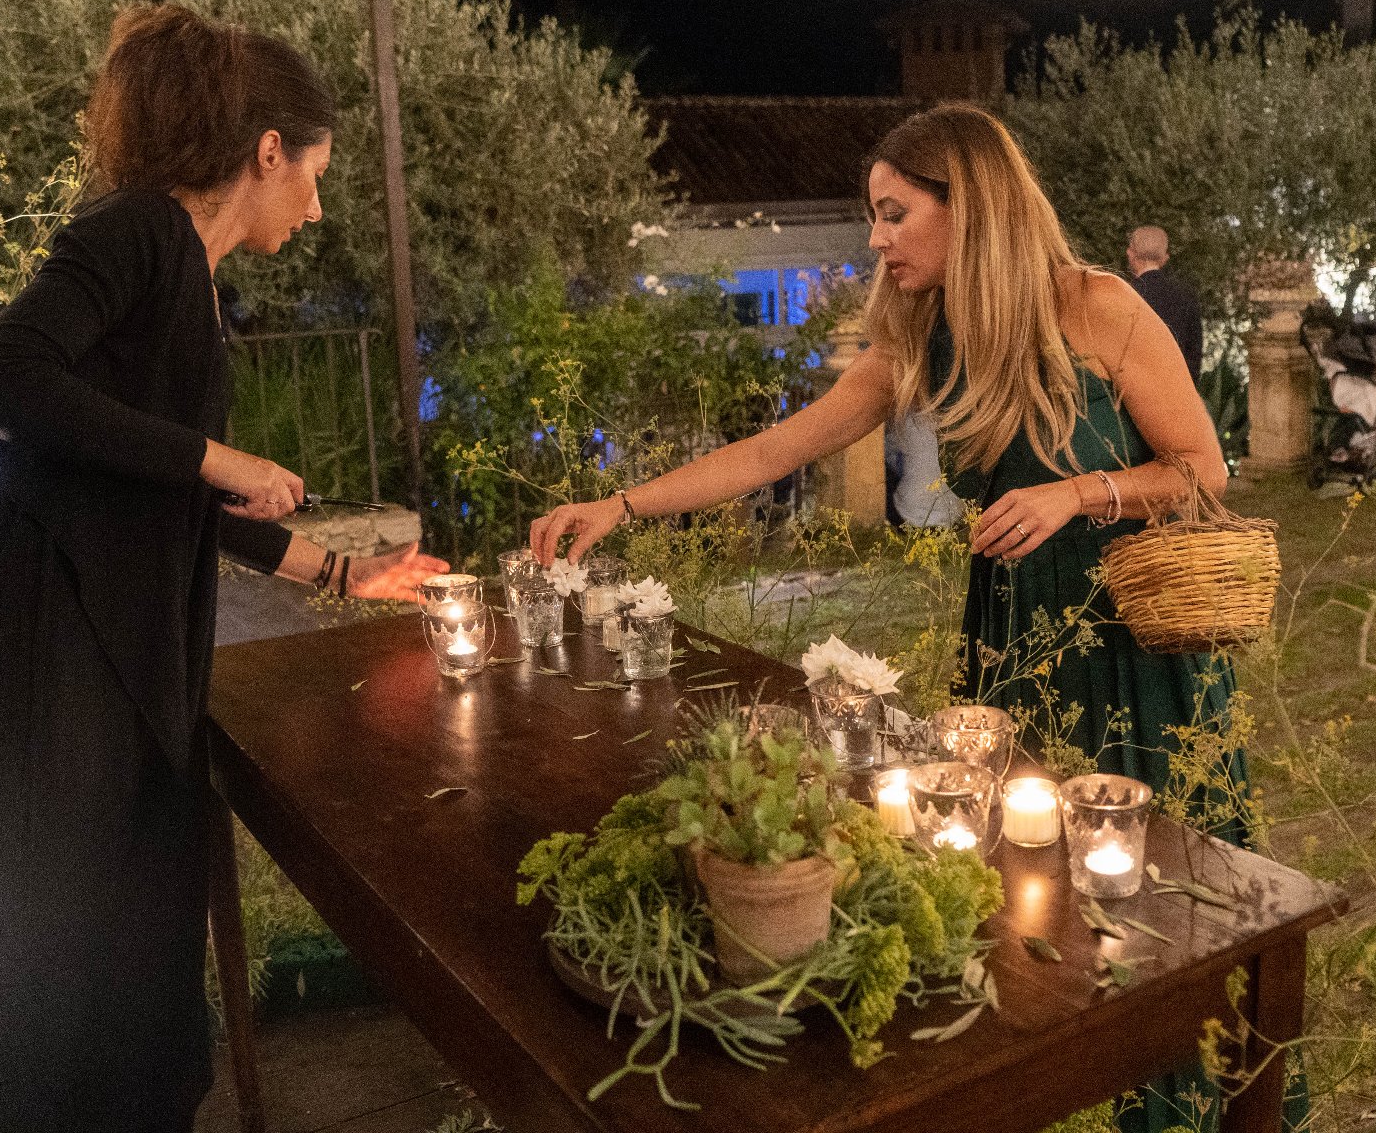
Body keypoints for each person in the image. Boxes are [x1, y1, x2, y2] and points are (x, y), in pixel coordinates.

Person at [533, 103, 1300, 1133]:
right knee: (1023, 890)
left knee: (1162, 903)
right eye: (874, 216)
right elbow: (774, 451)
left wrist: (1077, 495)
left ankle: (1188, 1107)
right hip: (1013, 638)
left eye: (895, 213)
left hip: (1129, 641)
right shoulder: (919, 340)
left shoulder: (1100, 305)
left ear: (968, 205)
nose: (876, 238)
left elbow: (1204, 469)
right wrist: (620, 506)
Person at [0, 4, 448, 1133]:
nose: (318, 208)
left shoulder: (182, 268)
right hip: (40, 656)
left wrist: (343, 574)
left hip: (97, 651)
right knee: (27, 982)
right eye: (316, 176)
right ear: (268, 151)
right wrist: (217, 454)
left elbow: (155, 483)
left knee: (113, 969)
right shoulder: (141, 230)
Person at [1125, 225, 1203, 383]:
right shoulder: (1186, 296)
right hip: (1175, 385)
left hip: (1134, 386)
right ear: (1165, 257)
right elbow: (1194, 354)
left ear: (1131, 253)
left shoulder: (1127, 294)